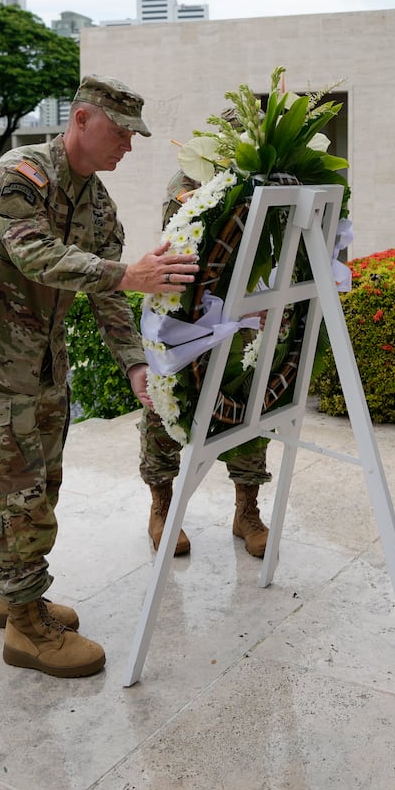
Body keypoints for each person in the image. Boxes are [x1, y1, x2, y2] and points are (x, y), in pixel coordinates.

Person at [0, 74, 198, 679]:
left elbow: (111, 291)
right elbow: (37, 255)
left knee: (43, 486)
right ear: (82, 120)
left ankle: (11, 595)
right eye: (121, 133)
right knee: (15, 497)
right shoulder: (18, 176)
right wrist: (125, 276)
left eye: (135, 137)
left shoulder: (96, 199)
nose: (128, 148)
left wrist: (136, 363)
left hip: (44, 365)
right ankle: (28, 632)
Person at [139, 149, 272, 560]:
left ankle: (247, 510)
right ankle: (162, 507)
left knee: (248, 403)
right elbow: (181, 243)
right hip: (191, 313)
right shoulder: (189, 183)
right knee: (167, 407)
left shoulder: (270, 183)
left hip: (246, 313)